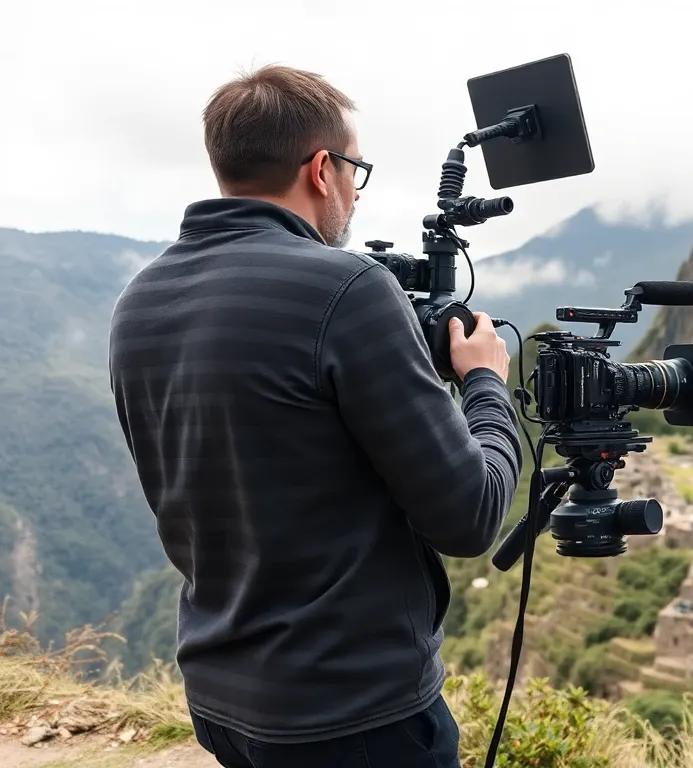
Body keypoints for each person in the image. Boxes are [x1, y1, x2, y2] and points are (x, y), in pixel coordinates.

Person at [107, 64, 523, 767]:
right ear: (322, 169)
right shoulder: (347, 289)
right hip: (353, 716)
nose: (355, 194)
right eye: (355, 171)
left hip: (222, 700)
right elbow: (471, 516)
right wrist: (484, 382)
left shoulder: (139, 299)